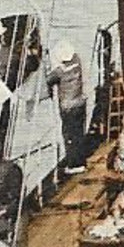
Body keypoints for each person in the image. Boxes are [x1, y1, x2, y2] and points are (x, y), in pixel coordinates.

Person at [46, 40, 88, 173]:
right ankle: (80, 160)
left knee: (69, 135)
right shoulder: (77, 62)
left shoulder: (59, 71)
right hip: (80, 102)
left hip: (67, 107)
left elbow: (48, 80)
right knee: (78, 133)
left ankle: (74, 164)